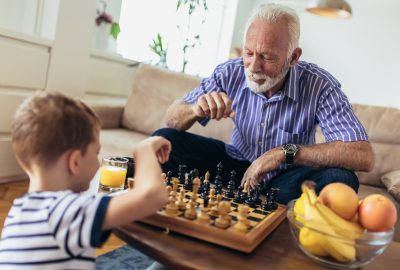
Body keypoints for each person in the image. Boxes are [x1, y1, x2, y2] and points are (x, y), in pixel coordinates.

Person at [152, 3, 374, 204]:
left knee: (341, 180)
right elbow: (171, 120)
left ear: (293, 57)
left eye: (267, 57)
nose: (253, 67)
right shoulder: (230, 72)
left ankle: (269, 204)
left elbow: (363, 155)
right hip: (235, 165)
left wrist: (283, 153)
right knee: (164, 140)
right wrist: (194, 109)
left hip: (287, 177)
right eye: (249, 53)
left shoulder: (320, 86)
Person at [0, 91, 170, 269]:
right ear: (74, 162)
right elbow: (154, 196)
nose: (98, 162)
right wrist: (144, 149)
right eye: (96, 152)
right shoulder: (66, 212)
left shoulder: (21, 210)